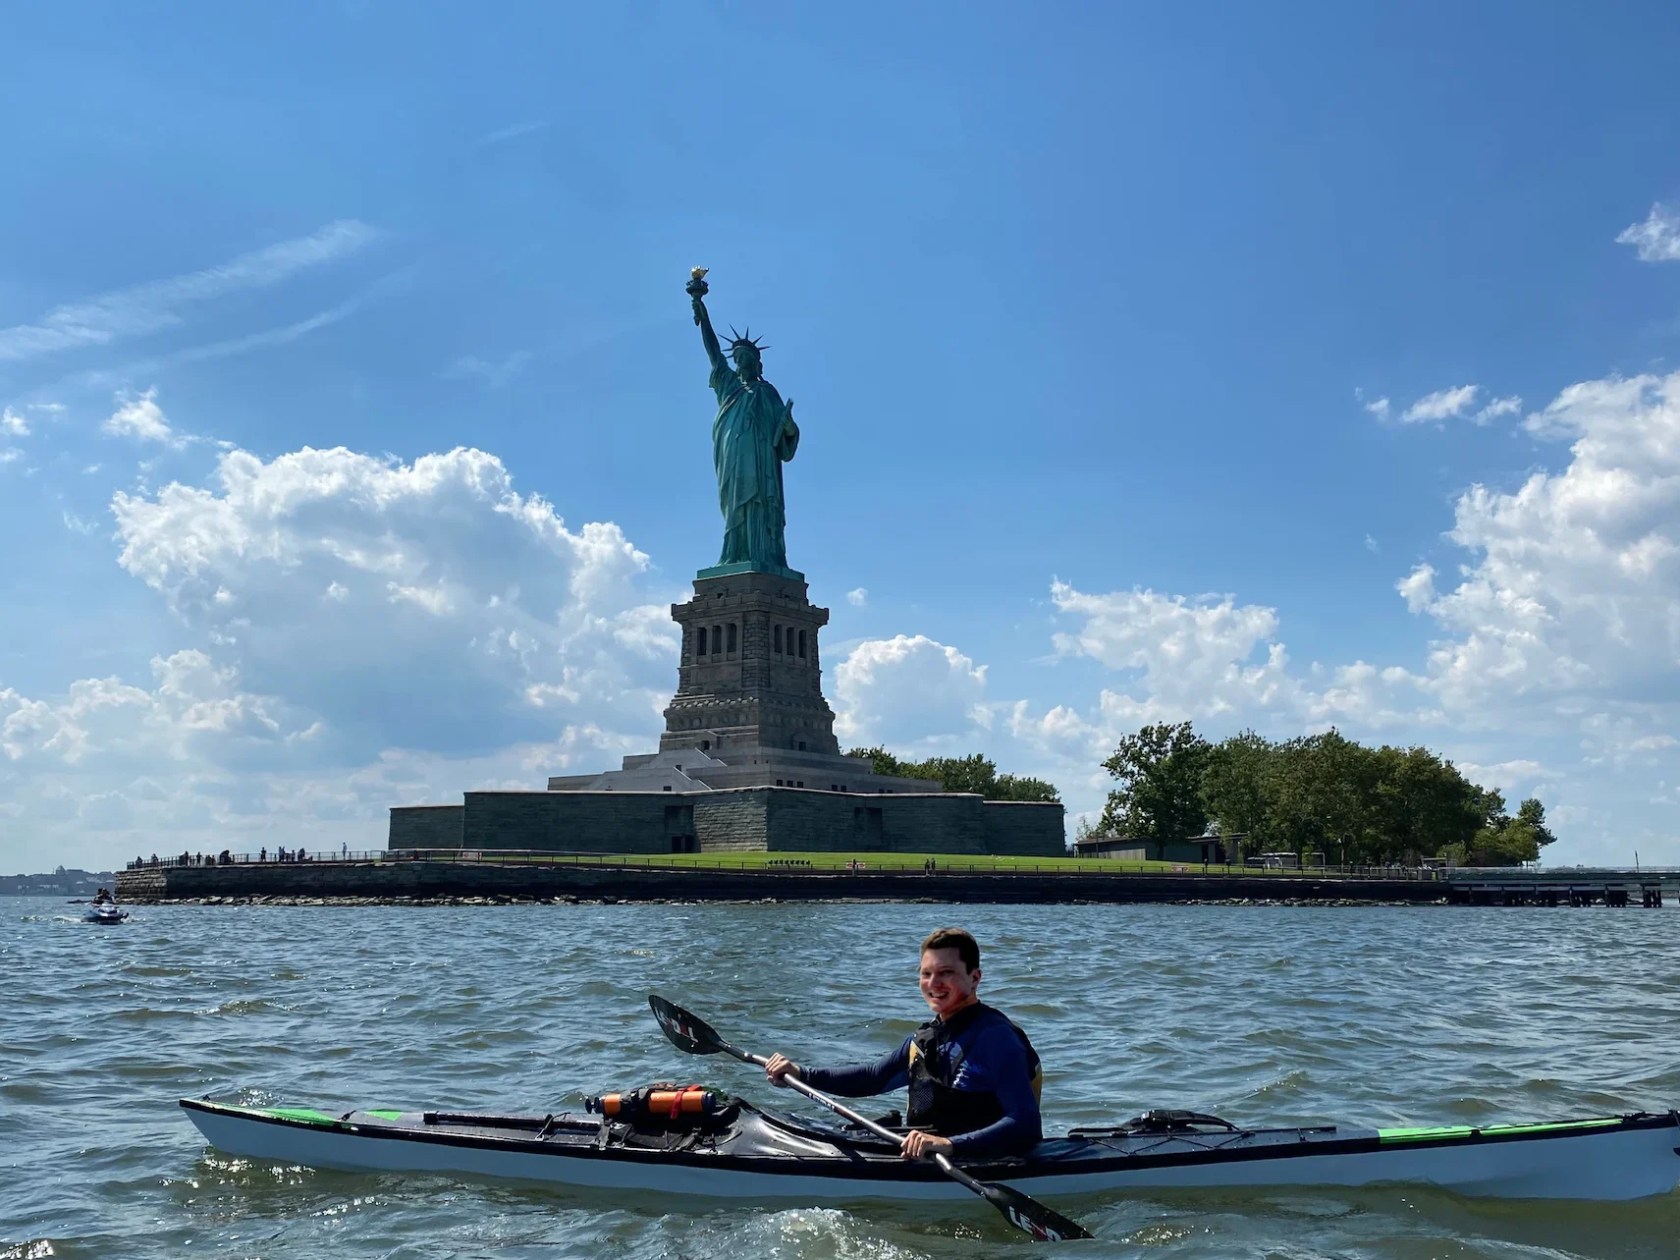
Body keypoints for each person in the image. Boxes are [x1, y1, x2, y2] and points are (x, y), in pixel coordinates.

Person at [764, 927, 1042, 1160]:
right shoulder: (927, 1039)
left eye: (946, 972)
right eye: (926, 973)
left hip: (986, 1160)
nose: (934, 983)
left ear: (975, 978)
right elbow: (873, 1078)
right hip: (926, 1155)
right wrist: (801, 1074)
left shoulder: (996, 1038)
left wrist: (949, 1145)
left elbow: (1025, 1123)